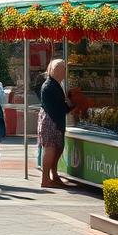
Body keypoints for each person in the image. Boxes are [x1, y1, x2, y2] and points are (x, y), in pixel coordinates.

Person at [39, 58, 72, 188]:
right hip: (51, 121)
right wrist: (73, 105)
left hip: (55, 121)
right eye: (63, 69)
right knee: (51, 148)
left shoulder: (56, 84)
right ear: (56, 70)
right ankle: (45, 179)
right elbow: (60, 108)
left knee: (57, 148)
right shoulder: (50, 86)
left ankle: (54, 175)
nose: (65, 72)